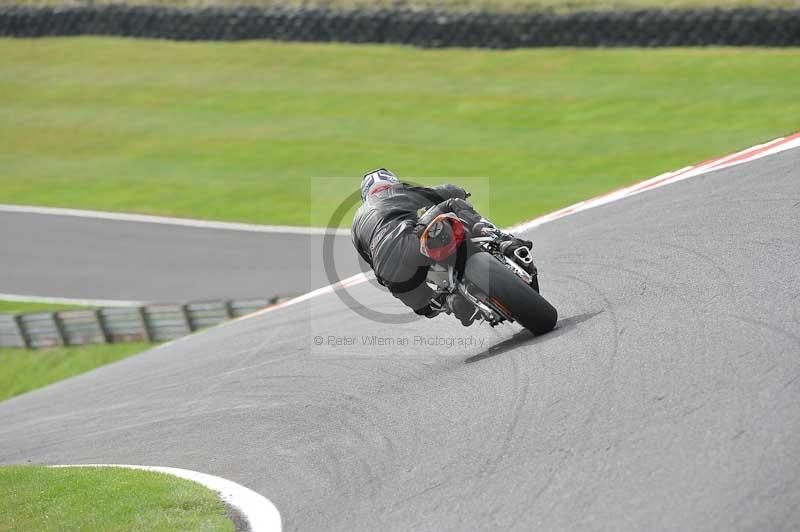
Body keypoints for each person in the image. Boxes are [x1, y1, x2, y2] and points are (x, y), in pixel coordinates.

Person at [351, 168, 533, 326]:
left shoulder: (356, 225)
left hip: (392, 277)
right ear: (391, 182)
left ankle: (451, 301)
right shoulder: (393, 192)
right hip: (412, 244)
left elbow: (371, 262)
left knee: (427, 308)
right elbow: (441, 192)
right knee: (453, 204)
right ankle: (504, 241)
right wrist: (460, 192)